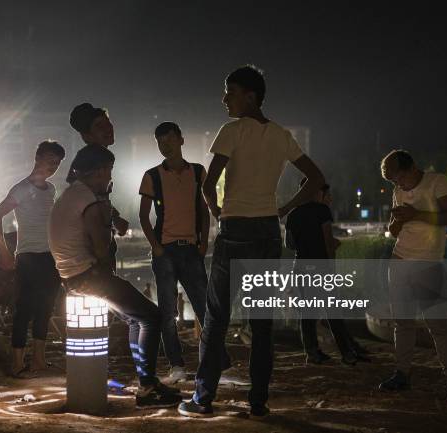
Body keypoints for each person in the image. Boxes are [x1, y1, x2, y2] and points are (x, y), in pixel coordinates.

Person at [178, 65, 326, 418]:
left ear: (251, 96)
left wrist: (216, 211)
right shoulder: (281, 135)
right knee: (262, 323)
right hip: (267, 232)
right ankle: (258, 402)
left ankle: (202, 398)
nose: (224, 98)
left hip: (236, 230)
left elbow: (207, 183)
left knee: (216, 319)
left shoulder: (232, 131)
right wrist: (284, 207)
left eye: (230, 91)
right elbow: (316, 178)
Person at [49, 144, 181, 409]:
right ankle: (147, 387)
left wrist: (109, 214)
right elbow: (102, 251)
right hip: (89, 276)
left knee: (136, 318)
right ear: (98, 172)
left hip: (71, 277)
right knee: (152, 316)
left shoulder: (73, 194)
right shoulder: (90, 202)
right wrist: (108, 222)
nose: (111, 177)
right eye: (109, 171)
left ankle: (147, 382)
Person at [378, 149, 447, 407]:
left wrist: (416, 214)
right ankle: (402, 373)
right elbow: (394, 228)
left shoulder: (437, 182)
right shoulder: (398, 191)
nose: (396, 185)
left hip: (429, 263)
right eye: (392, 181)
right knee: (402, 323)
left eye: (398, 178)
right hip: (399, 261)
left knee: (438, 326)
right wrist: (395, 226)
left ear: (411, 168)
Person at [139, 121, 213, 383]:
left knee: (206, 309)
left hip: (192, 250)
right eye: (160, 141)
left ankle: (219, 365)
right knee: (167, 312)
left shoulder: (198, 172)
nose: (165, 144)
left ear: (181, 140)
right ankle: (176, 366)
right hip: (166, 252)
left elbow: (204, 211)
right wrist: (156, 247)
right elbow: (143, 216)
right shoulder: (152, 175)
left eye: (169, 139)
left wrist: (203, 242)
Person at [0, 140, 65, 377]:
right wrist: (4, 251)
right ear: (37, 158)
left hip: (50, 256)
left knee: (45, 309)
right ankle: (17, 363)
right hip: (28, 256)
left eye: (57, 163)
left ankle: (38, 360)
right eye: (49, 160)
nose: (52, 166)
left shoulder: (51, 189)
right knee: (24, 310)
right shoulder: (21, 189)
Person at [285, 179, 369, 365]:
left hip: (300, 266)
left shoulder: (293, 214)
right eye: (325, 193)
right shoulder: (321, 211)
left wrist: (305, 241)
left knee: (308, 312)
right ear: (315, 192)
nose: (328, 197)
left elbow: (289, 244)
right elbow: (327, 239)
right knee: (333, 310)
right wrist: (331, 260)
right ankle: (347, 352)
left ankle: (312, 352)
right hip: (320, 267)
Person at [69, 102, 129, 272]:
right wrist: (116, 219)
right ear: (86, 136)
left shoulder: (98, 157)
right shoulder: (88, 161)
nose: (107, 128)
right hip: (92, 248)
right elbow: (86, 198)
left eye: (107, 122)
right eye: (99, 126)